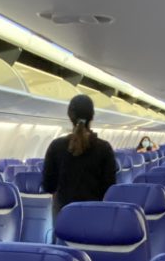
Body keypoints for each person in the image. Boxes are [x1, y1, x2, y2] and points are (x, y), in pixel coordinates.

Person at [42, 94, 117, 222]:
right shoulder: (104, 148)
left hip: (63, 214)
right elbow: (110, 188)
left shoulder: (56, 146)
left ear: (70, 115)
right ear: (92, 116)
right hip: (95, 214)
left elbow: (48, 186)